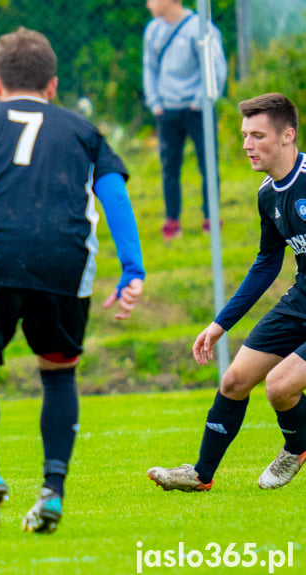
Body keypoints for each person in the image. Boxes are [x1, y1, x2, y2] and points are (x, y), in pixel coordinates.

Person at [0, 27, 145, 537]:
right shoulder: (83, 129)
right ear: (52, 85)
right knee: (58, 371)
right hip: (64, 262)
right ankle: (52, 491)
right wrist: (132, 268)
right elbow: (114, 193)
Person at [148, 93, 306, 492]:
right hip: (302, 298)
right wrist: (220, 324)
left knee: (280, 386)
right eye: (244, 136)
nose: (248, 145)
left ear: (288, 135)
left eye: (257, 135)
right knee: (235, 379)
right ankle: (201, 475)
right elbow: (267, 263)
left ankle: (297, 446)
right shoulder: (268, 194)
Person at [142, 0, 227, 240]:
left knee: (207, 164)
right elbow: (149, 68)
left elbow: (215, 69)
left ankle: (211, 217)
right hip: (167, 110)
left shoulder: (199, 28)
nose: (148, 4)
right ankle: (172, 221)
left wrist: (199, 102)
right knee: (169, 166)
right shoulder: (153, 30)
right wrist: (155, 103)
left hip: (197, 109)